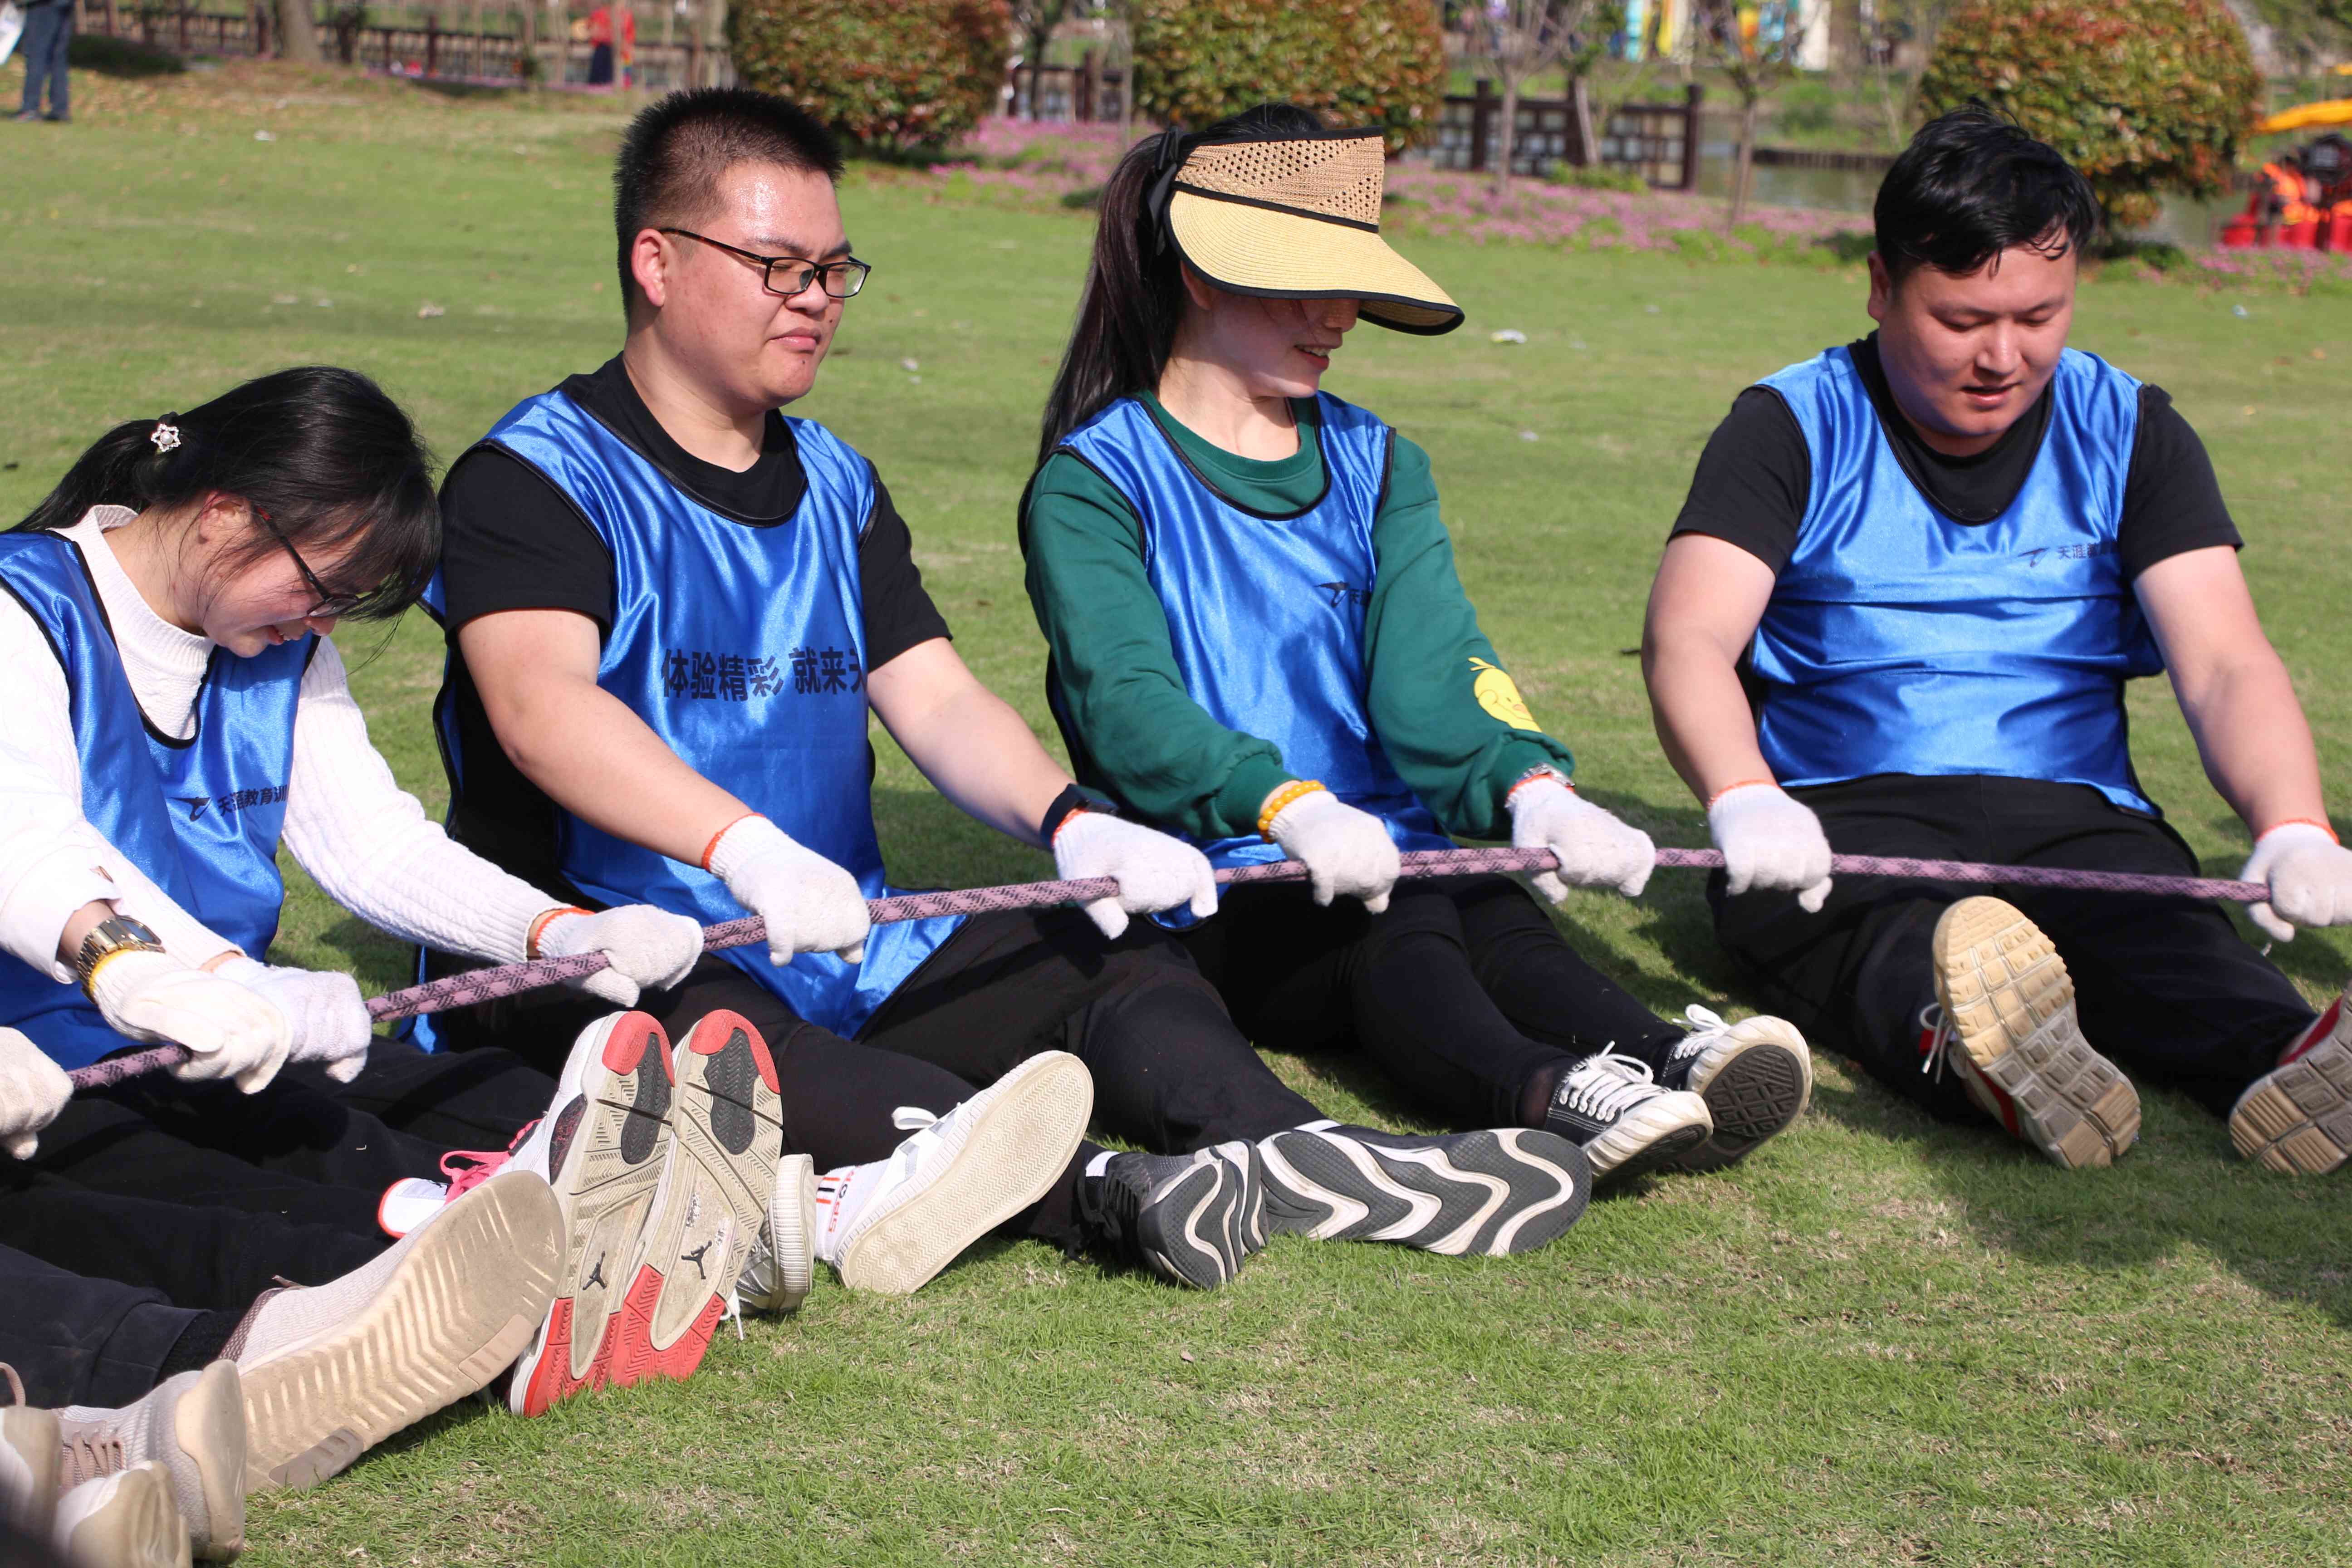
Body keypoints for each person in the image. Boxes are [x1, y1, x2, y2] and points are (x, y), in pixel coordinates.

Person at [425, 86, 1593, 1292]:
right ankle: (1111, 1195)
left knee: (1108, 953)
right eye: (779, 267)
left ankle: (1296, 1151)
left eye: (835, 270)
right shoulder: (534, 478)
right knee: (741, 1058)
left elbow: (935, 698)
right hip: (619, 952)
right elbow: (542, 708)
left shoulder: (835, 481)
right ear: (657, 262)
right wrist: (746, 851)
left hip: (839, 938)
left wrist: (1072, 819)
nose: (815, 299)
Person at [0, 366, 1051, 1441]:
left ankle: (790, 1212)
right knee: (296, 1167)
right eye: (322, 587)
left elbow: (377, 845)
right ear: (226, 511)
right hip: (59, 1069)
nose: (324, 620)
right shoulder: (23, 608)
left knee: (478, 1085)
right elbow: (32, 838)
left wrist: (558, 932)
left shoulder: (281, 648)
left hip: (226, 1035)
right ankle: (549, 1265)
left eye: (348, 604)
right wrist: (202, 976)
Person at [1019, 104, 1814, 1185]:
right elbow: (1125, 704)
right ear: (1201, 274)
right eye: (1303, 279)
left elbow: (1434, 669)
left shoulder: (1381, 462)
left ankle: (1664, 1051)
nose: (1339, 313)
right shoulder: (1092, 481)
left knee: (1485, 895)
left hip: (1397, 850)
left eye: (1349, 278)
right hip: (1222, 884)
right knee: (1400, 922)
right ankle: (1547, 1091)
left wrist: (1533, 790)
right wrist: (1285, 804)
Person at [1643, 107, 2352, 1175]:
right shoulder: (1788, 422)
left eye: (2038, 315)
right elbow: (1687, 638)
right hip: (1840, 821)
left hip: (2074, 821)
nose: (2003, 355)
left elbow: (2224, 660)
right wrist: (1743, 794)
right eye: (1963, 318)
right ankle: (1978, 1052)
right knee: (1892, 951)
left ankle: (2283, 1062)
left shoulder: (2130, 426)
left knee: (2170, 945)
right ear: (1881, 287)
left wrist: (2293, 824)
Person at [10, 0, 68, 125]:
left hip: (43, 4)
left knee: (37, 52)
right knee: (58, 55)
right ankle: (60, 109)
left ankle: (30, 107)